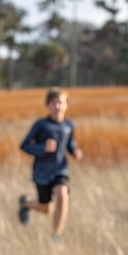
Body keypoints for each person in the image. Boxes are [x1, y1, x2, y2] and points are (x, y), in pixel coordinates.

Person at [18, 87, 83, 243]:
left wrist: (75, 151)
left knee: (62, 193)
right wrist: (42, 148)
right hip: (42, 173)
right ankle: (26, 204)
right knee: (46, 208)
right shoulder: (41, 125)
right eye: (53, 103)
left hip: (60, 170)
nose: (57, 107)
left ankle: (56, 235)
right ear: (47, 106)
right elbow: (24, 145)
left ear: (66, 105)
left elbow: (70, 143)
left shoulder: (69, 125)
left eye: (60, 103)